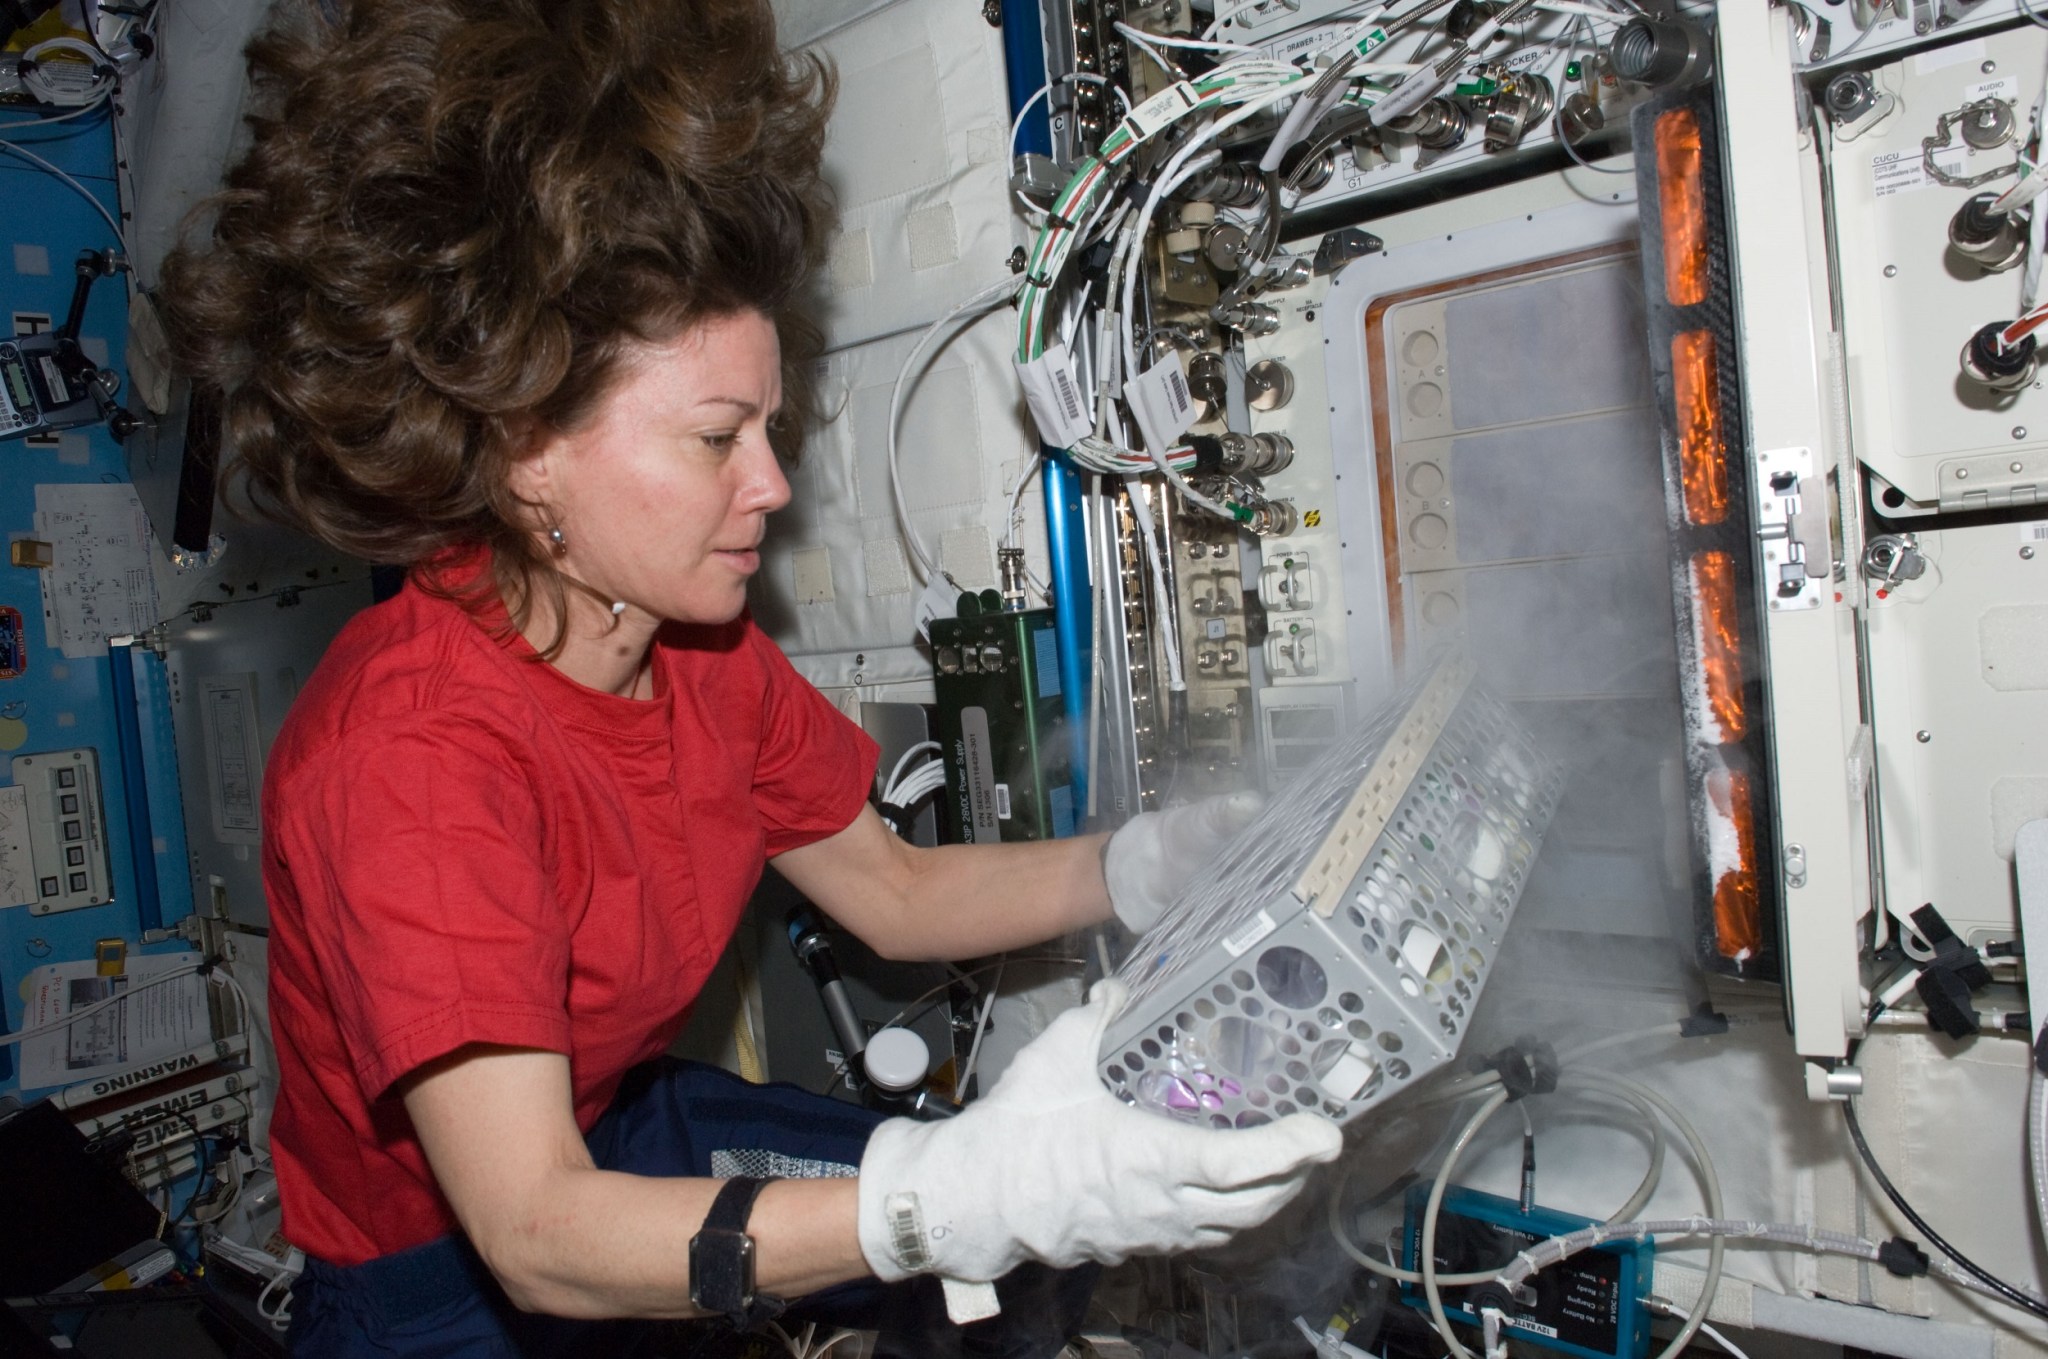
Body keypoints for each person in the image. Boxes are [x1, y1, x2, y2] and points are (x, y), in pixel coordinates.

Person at [159, 0, 1343, 1353]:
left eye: (770, 429)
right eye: (718, 438)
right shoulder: (410, 759)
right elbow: (540, 1234)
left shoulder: (702, 652)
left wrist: (1148, 862)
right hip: (439, 1272)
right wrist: (954, 1196)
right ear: (522, 447)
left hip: (621, 1119)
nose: (772, 487)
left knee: (1011, 1286)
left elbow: (892, 893)